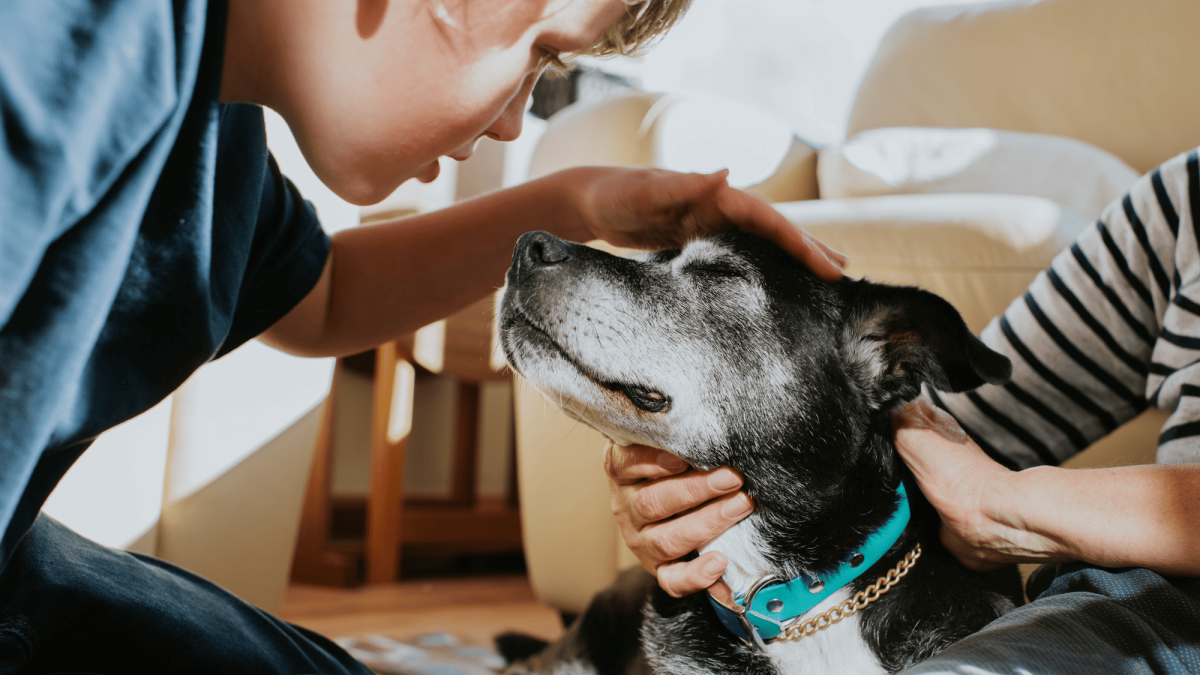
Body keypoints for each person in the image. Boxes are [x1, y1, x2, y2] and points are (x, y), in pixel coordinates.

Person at [0, 0, 848, 672]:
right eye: (539, 53)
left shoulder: (218, 143)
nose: (517, 122)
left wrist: (577, 202)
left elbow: (323, 298)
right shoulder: (53, 50)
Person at [607, 148, 1200, 673]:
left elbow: (978, 493)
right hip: (1138, 605)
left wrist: (1008, 505)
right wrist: (679, 495)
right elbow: (939, 430)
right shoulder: (1182, 203)